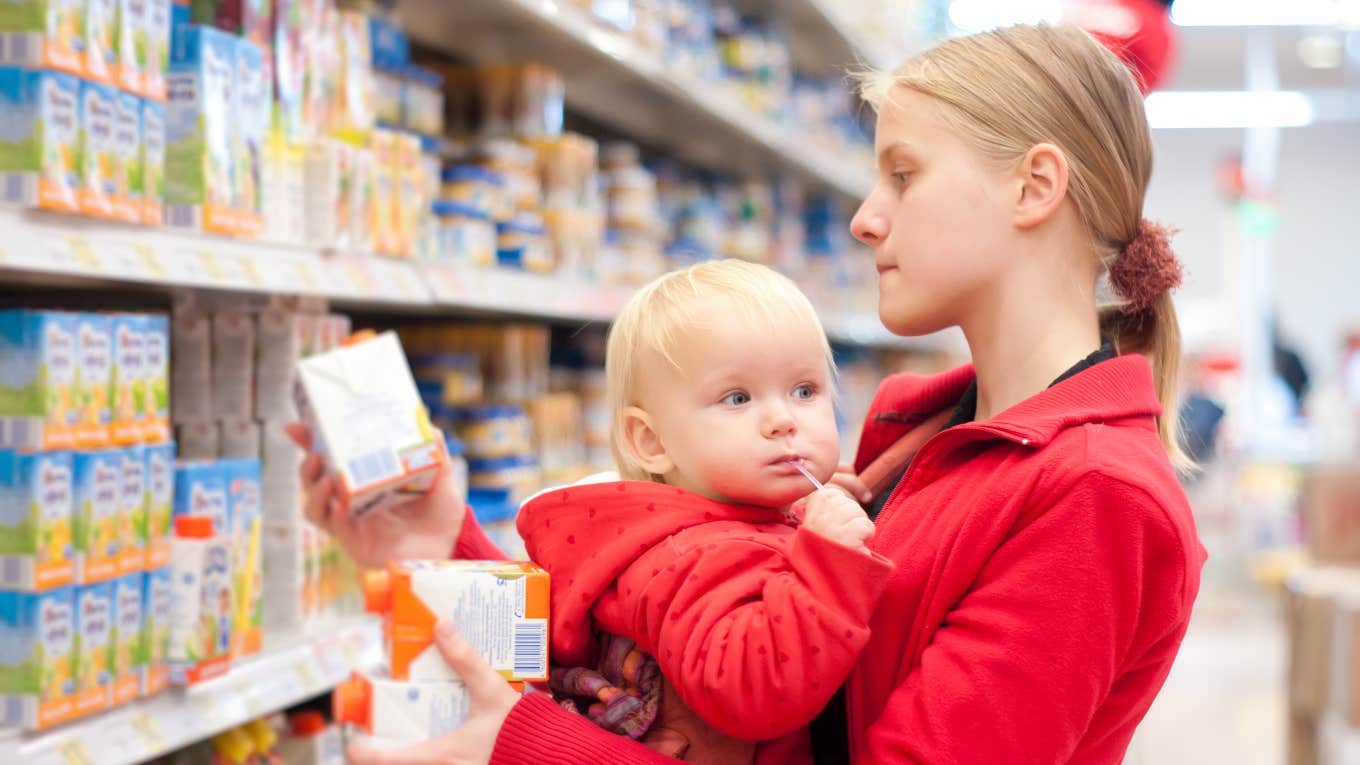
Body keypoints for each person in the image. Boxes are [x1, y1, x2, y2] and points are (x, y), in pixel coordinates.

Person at [292, 22, 1207, 765]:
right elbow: (662, 647)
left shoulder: (1092, 495)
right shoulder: (922, 439)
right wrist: (439, 547)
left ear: (1034, 186)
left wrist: (532, 746)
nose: (865, 216)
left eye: (903, 173)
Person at [518, 259, 889, 764]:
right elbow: (754, 692)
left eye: (804, 390)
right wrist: (826, 564)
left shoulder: (721, 523)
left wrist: (793, 508)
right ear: (651, 441)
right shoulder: (688, 557)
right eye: (737, 398)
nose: (783, 420)